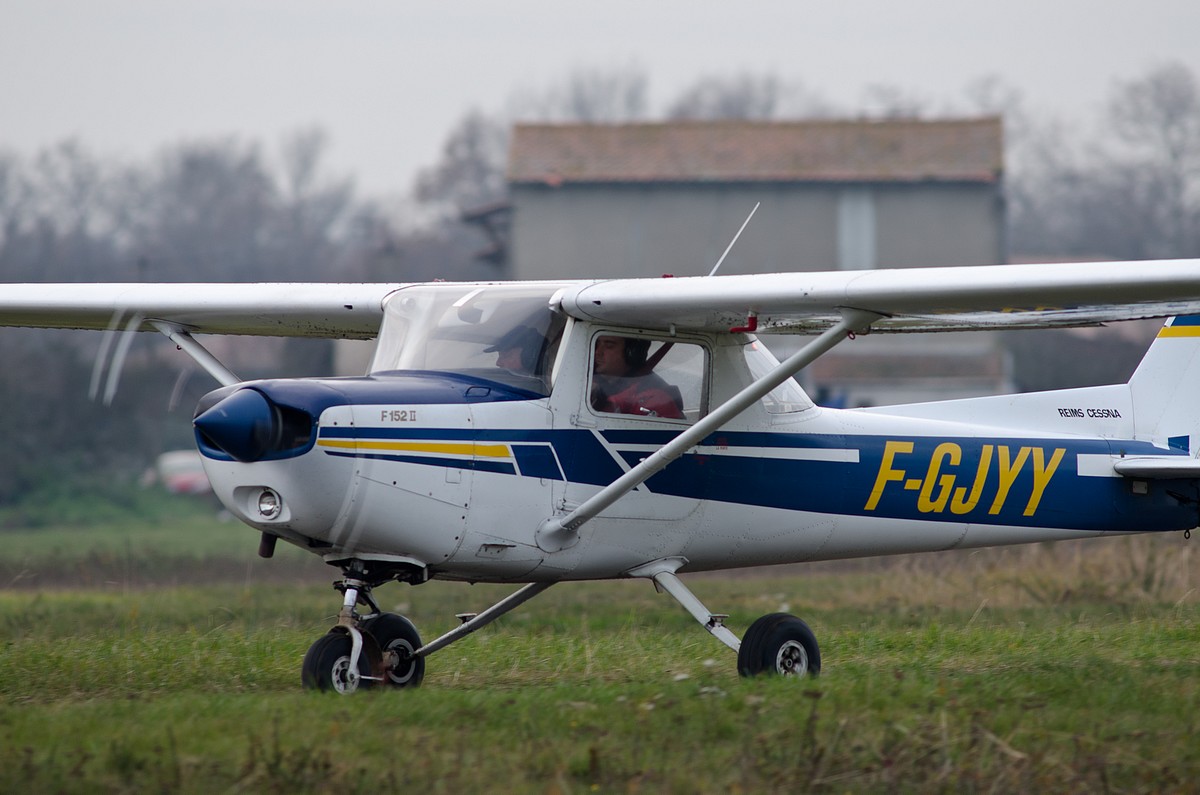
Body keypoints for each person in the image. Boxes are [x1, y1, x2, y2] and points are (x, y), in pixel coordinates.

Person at [590, 335, 684, 419]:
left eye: (609, 346)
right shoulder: (595, 384)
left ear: (632, 353)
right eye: (597, 344)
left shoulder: (655, 399)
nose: (597, 352)